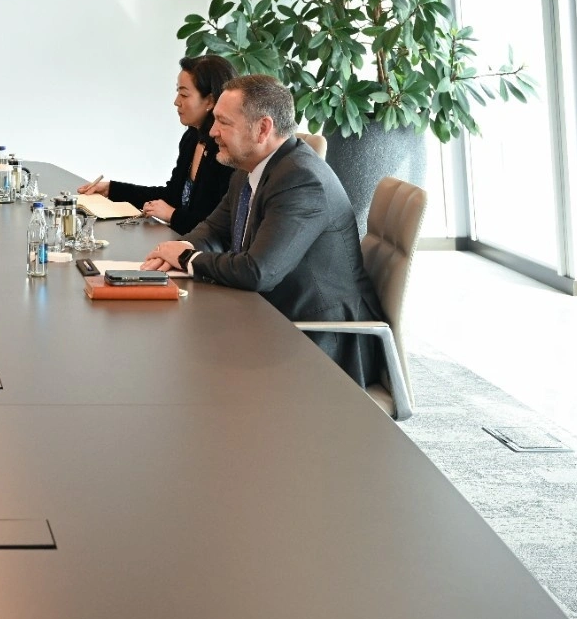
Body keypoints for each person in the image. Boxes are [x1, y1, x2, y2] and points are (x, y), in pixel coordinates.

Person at [141, 74, 385, 387]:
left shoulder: (301, 181)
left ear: (263, 129)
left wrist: (187, 258)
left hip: (322, 341)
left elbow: (258, 271)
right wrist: (175, 253)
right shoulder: (249, 169)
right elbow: (213, 230)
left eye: (223, 122)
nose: (212, 131)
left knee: (189, 372)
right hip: (273, 316)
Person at [78, 54, 236, 234]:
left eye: (184, 94)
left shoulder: (226, 153)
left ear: (210, 100)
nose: (176, 102)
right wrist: (112, 189)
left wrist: (173, 215)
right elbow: (172, 196)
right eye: (177, 92)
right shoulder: (192, 138)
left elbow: (222, 227)